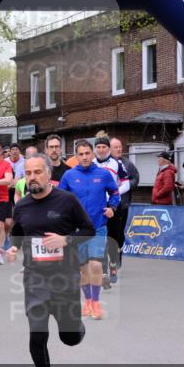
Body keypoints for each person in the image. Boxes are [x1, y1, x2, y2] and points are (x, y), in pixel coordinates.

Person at [7, 155, 95, 367]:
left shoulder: (66, 201)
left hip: (64, 277)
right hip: (35, 279)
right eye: (28, 173)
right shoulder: (21, 206)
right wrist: (12, 251)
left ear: (48, 174)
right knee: (37, 334)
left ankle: (75, 327)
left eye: (37, 172)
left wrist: (65, 240)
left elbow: (88, 229)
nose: (32, 177)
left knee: (69, 338)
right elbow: (17, 236)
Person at [58, 140, 119, 320]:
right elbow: (61, 199)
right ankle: (87, 301)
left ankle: (96, 303)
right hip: (78, 230)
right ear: (76, 156)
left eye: (87, 153)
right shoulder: (69, 175)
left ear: (92, 154)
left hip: (98, 226)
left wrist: (112, 208)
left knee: (96, 264)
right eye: (81, 154)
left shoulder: (104, 174)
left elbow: (115, 193)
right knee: (83, 269)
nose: (84, 157)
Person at [94, 135, 129, 288]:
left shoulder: (116, 163)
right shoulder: (92, 164)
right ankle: (104, 273)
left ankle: (113, 263)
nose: (101, 150)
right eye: (98, 147)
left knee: (113, 239)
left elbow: (126, 184)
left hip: (114, 206)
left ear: (108, 148)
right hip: (98, 207)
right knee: (101, 238)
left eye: (104, 147)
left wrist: (114, 193)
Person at [108, 137, 138, 283]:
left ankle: (117, 258)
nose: (119, 149)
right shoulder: (105, 164)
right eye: (116, 147)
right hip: (106, 206)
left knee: (119, 234)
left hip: (123, 204)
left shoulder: (127, 164)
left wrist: (124, 185)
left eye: (120, 147)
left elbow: (135, 179)